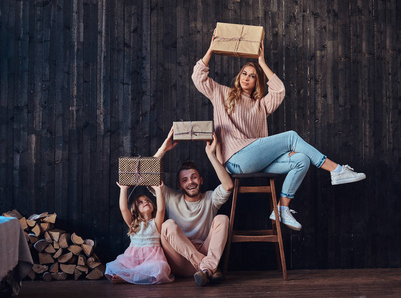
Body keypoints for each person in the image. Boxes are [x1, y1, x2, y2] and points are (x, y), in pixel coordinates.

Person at [191, 30, 366, 232]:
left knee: (302, 160)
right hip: (236, 160)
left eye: (252, 76)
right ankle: (336, 170)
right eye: (244, 74)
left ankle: (282, 208)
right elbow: (198, 76)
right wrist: (211, 49)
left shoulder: (260, 105)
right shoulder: (221, 93)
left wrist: (262, 63)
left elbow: (279, 90)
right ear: (239, 76)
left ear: (257, 82)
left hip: (256, 160)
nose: (247, 78)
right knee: (291, 136)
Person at [148, 127, 233, 286]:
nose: (190, 182)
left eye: (194, 177)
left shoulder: (210, 198)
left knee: (222, 218)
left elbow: (228, 185)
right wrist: (164, 148)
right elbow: (147, 177)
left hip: (206, 255)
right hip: (180, 261)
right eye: (185, 180)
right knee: (167, 225)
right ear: (180, 186)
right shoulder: (172, 197)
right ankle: (207, 267)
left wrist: (211, 155)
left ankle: (206, 269)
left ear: (200, 180)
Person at [105, 182, 174, 285]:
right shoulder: (133, 224)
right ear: (136, 209)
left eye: (147, 200)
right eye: (140, 202)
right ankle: (134, 277)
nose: (145, 202)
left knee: (160, 267)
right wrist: (123, 189)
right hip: (132, 258)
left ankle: (127, 278)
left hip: (152, 258)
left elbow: (161, 210)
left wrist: (158, 190)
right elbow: (123, 209)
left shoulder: (156, 223)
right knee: (113, 266)